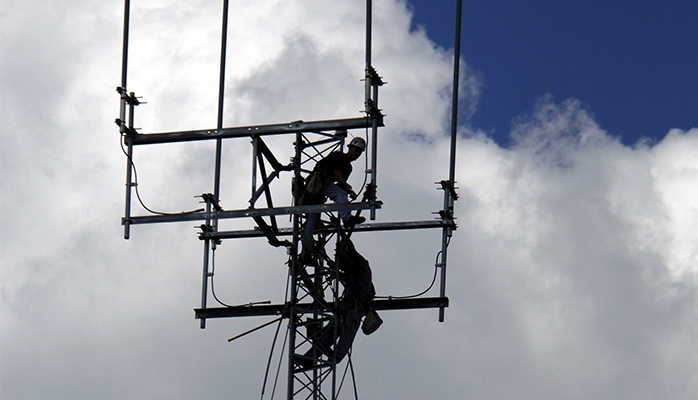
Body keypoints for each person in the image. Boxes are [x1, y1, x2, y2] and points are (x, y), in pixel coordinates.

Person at [302, 238, 375, 364]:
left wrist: (343, 234)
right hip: (345, 306)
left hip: (356, 306)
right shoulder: (349, 273)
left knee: (347, 330)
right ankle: (310, 357)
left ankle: (337, 356)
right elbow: (333, 266)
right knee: (330, 331)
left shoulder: (362, 267)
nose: (342, 266)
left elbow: (353, 251)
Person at [301, 137, 367, 256]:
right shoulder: (339, 157)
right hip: (318, 182)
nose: (357, 154)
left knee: (313, 219)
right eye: (355, 150)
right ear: (350, 148)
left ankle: (308, 251)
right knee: (339, 195)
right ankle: (347, 218)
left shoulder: (348, 168)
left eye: (359, 152)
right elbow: (337, 175)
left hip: (322, 188)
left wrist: (348, 190)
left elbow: (340, 185)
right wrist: (347, 188)